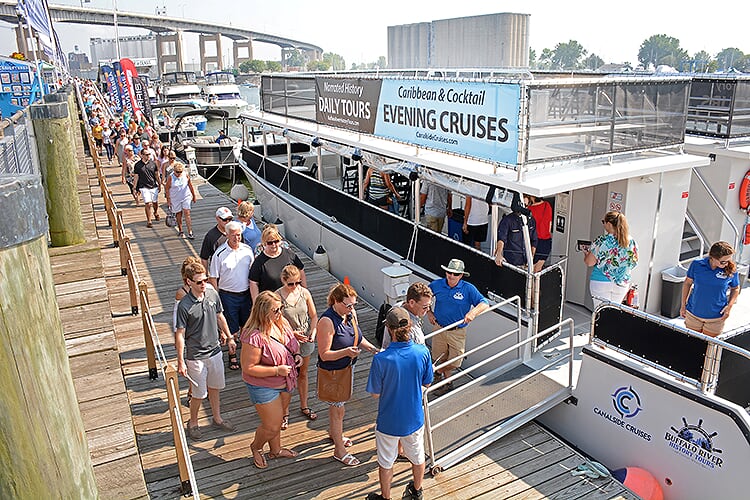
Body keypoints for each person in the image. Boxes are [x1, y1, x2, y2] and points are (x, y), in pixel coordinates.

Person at [366, 307, 433, 500]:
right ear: (409, 326)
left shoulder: (381, 359)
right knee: (418, 456)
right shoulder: (422, 352)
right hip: (414, 418)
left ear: (389, 329)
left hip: (389, 421)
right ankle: (417, 491)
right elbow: (427, 382)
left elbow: (375, 394)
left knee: (386, 461)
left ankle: (386, 497)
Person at [317, 283, 379, 466]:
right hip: (333, 373)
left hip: (347, 369)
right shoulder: (327, 321)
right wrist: (346, 352)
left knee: (339, 409)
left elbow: (358, 338)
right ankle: (339, 451)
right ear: (336, 302)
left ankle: (334, 434)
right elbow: (324, 354)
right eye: (348, 305)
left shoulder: (350, 315)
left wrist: (373, 349)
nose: (351, 308)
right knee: (338, 411)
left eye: (353, 304)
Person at [175, 262, 236, 440]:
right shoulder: (184, 306)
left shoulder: (211, 293)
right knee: (199, 393)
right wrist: (180, 361)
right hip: (195, 356)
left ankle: (217, 418)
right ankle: (193, 422)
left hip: (215, 351)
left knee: (215, 388)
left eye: (206, 280)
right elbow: (180, 334)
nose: (204, 284)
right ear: (189, 282)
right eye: (200, 282)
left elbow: (219, 316)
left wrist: (229, 336)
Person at [240, 291, 301, 469]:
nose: (280, 313)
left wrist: (297, 355)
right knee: (272, 426)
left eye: (281, 308)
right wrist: (277, 370)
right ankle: (256, 447)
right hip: (264, 386)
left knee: (279, 418)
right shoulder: (253, 335)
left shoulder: (281, 322)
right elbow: (249, 368)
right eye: (275, 310)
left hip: (286, 381)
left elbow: (291, 344)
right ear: (263, 312)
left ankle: (276, 450)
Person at [427, 259, 489, 389]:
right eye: (449, 272)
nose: (451, 276)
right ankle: (448, 383)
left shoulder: (468, 289)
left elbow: (484, 303)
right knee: (439, 358)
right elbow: (423, 297)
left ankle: (438, 372)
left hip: (457, 331)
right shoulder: (436, 285)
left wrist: (473, 313)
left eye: (455, 274)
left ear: (461, 275)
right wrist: (429, 313)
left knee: (456, 362)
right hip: (439, 328)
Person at [276, 264, 319, 426]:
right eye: (291, 284)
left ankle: (304, 405)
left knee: (303, 373)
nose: (294, 287)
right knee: (286, 376)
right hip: (286, 340)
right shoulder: (277, 296)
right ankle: (284, 412)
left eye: (297, 283)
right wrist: (292, 334)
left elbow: (314, 316)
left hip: (305, 337)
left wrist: (313, 332)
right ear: (283, 281)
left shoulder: (304, 293)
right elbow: (275, 322)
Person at [209, 221, 255, 370]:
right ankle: (232, 354)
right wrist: (217, 298)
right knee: (231, 328)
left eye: (239, 235)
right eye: (234, 235)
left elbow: (252, 273)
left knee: (247, 326)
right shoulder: (219, 254)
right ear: (227, 235)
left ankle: (247, 354)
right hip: (228, 296)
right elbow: (213, 277)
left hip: (246, 294)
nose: (237, 238)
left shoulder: (248, 250)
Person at [680, 241, 740, 337]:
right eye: (723, 262)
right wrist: (683, 305)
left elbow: (735, 288)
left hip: (716, 318)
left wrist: (729, 307)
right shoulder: (697, 264)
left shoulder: (731, 269)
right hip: (693, 314)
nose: (727, 264)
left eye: (728, 260)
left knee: (708, 348)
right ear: (712, 257)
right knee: (692, 344)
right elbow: (687, 283)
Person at [584, 211, 638, 308]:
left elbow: (589, 262)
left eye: (603, 222)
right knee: (613, 313)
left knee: (600, 312)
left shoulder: (602, 240)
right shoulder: (631, 241)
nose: (603, 224)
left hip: (600, 281)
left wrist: (586, 254)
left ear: (609, 224)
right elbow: (634, 262)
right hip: (621, 283)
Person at [249, 225, 306, 301]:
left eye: (276, 241)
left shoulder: (289, 254)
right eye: (270, 243)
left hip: (292, 298)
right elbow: (253, 283)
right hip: (271, 302)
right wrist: (256, 303)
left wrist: (304, 291)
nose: (273, 245)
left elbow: (301, 270)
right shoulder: (259, 262)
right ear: (264, 243)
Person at [381, 282, 432, 349]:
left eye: (429, 305)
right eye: (425, 307)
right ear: (411, 302)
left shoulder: (396, 309)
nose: (428, 309)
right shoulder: (405, 325)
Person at [495, 193, 538, 268]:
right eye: (521, 207)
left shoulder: (532, 220)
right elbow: (501, 238)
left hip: (526, 264)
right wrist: (499, 254)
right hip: (511, 262)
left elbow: (534, 241)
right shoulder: (507, 220)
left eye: (526, 206)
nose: (523, 209)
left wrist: (531, 258)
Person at [164, 161, 197, 238]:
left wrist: (194, 195)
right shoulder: (171, 177)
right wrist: (168, 200)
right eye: (177, 172)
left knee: (187, 213)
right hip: (175, 198)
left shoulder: (185, 175)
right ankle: (180, 230)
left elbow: (190, 185)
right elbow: (167, 189)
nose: (179, 173)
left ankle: (190, 231)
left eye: (180, 172)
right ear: (174, 171)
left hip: (186, 196)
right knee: (179, 214)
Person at [132, 148, 161, 228]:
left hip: (153, 185)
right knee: (148, 203)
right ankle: (149, 220)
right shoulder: (137, 165)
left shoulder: (153, 164)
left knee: (155, 202)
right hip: (143, 186)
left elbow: (156, 175)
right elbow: (136, 177)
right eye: (146, 154)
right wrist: (134, 188)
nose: (148, 156)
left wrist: (159, 184)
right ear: (142, 155)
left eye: (149, 154)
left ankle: (155, 212)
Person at [200, 206, 233, 272]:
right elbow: (204, 257)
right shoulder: (210, 236)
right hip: (218, 271)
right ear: (217, 218)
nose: (228, 221)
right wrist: (206, 275)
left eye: (230, 219)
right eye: (224, 219)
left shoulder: (236, 232)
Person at [528, 195, 553, 273]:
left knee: (530, 270)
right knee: (538, 269)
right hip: (546, 242)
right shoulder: (547, 205)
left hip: (534, 242)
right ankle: (536, 285)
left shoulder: (529, 210)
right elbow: (549, 225)